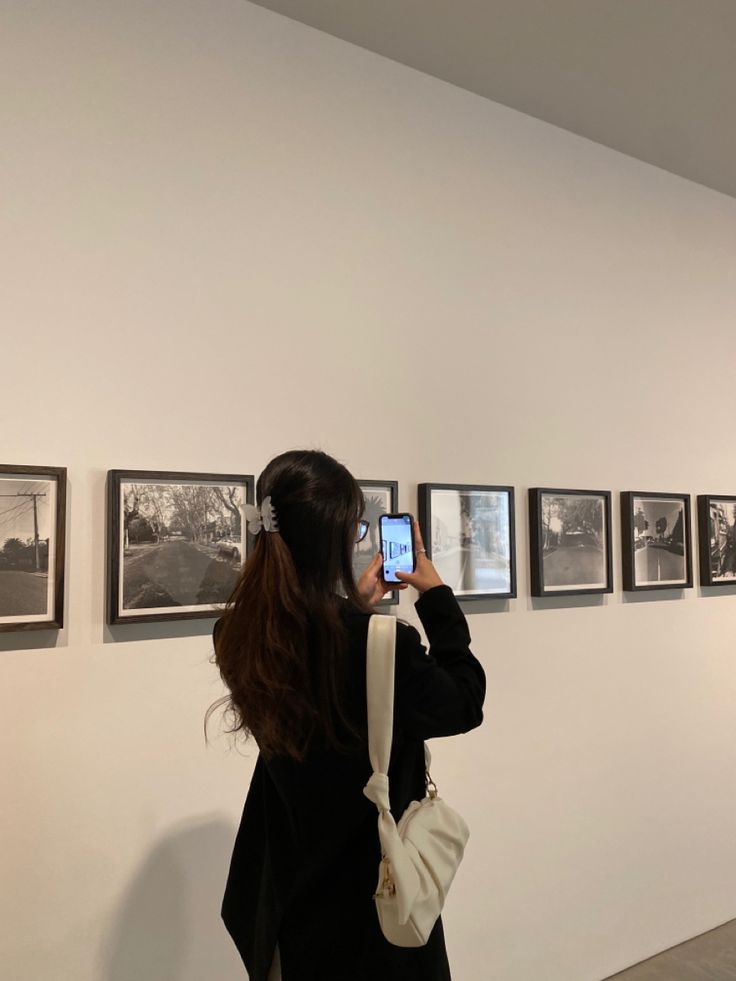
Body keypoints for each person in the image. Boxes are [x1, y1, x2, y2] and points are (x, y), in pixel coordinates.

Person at [210, 449, 485, 981]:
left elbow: (320, 670)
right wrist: (436, 596)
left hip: (288, 892)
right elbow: (465, 701)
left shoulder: (236, 636)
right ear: (337, 537)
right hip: (372, 898)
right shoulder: (385, 644)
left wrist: (355, 611)